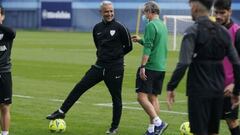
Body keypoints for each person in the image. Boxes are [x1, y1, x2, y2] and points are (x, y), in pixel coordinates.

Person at [46, 1, 132, 134]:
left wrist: (117, 58)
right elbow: (98, 46)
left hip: (114, 68)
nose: (109, 14)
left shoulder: (121, 27)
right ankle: (61, 112)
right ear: (101, 12)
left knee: (116, 98)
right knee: (80, 86)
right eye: (106, 11)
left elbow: (129, 47)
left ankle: (114, 127)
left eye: (111, 11)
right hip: (99, 66)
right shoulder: (97, 28)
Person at [166, 0, 240, 135]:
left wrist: (171, 86)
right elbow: (236, 63)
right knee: (213, 131)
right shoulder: (223, 32)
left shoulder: (192, 31)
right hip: (218, 90)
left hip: (198, 91)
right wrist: (237, 91)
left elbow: (184, 62)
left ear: (194, 7)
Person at [131, 1, 168, 135]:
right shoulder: (163, 25)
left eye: (145, 11)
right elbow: (153, 44)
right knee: (153, 98)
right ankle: (152, 129)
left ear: (151, 12)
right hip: (161, 67)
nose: (144, 14)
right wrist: (140, 40)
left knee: (141, 97)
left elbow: (148, 48)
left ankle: (159, 123)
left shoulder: (151, 25)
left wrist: (142, 66)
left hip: (151, 66)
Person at [214, 0, 240, 134]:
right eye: (216, 12)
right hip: (211, 85)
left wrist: (235, 85)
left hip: (229, 88)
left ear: (229, 12)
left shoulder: (237, 32)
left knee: (231, 121)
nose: (218, 16)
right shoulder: (212, 30)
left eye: (222, 13)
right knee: (210, 123)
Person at [0, 5, 16, 135]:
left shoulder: (7, 32)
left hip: (4, 72)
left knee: (5, 106)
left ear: (3, 16)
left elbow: (12, 33)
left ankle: (5, 134)